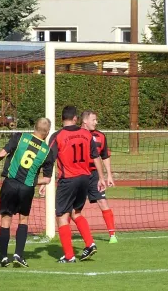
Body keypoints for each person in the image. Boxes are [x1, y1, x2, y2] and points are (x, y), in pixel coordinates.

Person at [0, 118, 54, 268]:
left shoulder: (20, 137)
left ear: (34, 127)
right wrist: (33, 182)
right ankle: (18, 254)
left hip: (10, 184)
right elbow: (46, 179)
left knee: (6, 219)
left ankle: (3, 258)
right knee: (23, 219)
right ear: (47, 133)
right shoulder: (48, 152)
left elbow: (2, 152)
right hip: (27, 188)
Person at [49, 106, 107, 263]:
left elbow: (49, 159)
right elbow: (96, 156)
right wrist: (101, 177)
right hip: (85, 179)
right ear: (75, 118)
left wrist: (45, 178)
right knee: (76, 213)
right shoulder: (86, 134)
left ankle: (69, 256)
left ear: (63, 119)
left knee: (61, 216)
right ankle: (90, 243)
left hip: (68, 180)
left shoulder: (58, 136)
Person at [80, 110, 118, 243]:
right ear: (85, 121)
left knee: (103, 202)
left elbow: (105, 156)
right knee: (73, 206)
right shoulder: (76, 135)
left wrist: (109, 176)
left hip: (95, 175)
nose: (96, 122)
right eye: (93, 120)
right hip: (78, 174)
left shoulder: (100, 136)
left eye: (96, 120)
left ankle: (112, 235)